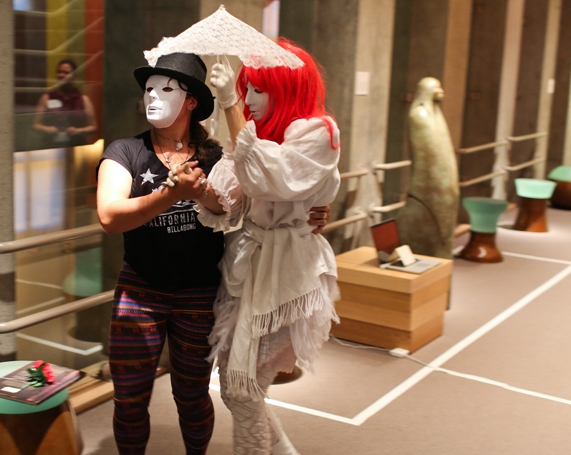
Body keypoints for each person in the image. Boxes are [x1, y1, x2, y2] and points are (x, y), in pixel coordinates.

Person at [96, 51, 331, 455]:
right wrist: (173, 192)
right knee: (130, 397)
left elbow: (252, 195)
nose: (151, 97)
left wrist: (303, 210)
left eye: (166, 89)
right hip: (140, 289)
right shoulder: (125, 151)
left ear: (191, 101)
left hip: (201, 292)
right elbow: (110, 215)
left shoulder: (217, 155)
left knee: (192, 394)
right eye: (148, 88)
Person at [197, 39, 341, 455]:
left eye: (258, 89)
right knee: (236, 386)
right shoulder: (258, 134)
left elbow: (270, 177)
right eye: (246, 89)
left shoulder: (317, 130)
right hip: (249, 266)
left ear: (287, 88)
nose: (249, 98)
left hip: (288, 274)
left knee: (243, 388)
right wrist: (196, 190)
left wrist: (229, 104)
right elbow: (230, 199)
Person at [34, 58, 98, 147]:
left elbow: (93, 127)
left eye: (66, 72)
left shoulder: (83, 99)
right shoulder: (47, 98)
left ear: (74, 76)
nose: (61, 75)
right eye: (59, 72)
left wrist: (77, 131)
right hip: (51, 146)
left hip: (76, 146)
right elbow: (36, 125)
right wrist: (47, 129)